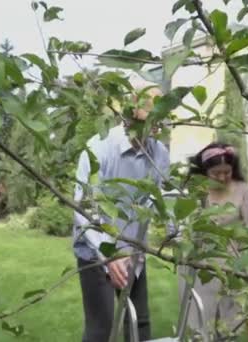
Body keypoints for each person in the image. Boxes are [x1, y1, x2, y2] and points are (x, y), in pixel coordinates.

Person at [73, 86, 170, 342]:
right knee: (101, 327)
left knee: (140, 323)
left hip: (133, 246)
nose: (152, 129)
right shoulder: (99, 147)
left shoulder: (159, 153)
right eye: (146, 120)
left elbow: (163, 201)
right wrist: (109, 252)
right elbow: (85, 207)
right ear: (127, 116)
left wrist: (178, 235)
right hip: (95, 247)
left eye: (158, 121)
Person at [181, 142, 248, 339]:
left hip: (232, 265)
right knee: (201, 325)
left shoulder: (241, 190)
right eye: (216, 173)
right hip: (200, 264)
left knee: (229, 326)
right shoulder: (197, 191)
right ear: (205, 171)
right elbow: (185, 225)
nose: (222, 177)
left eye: (227, 172)